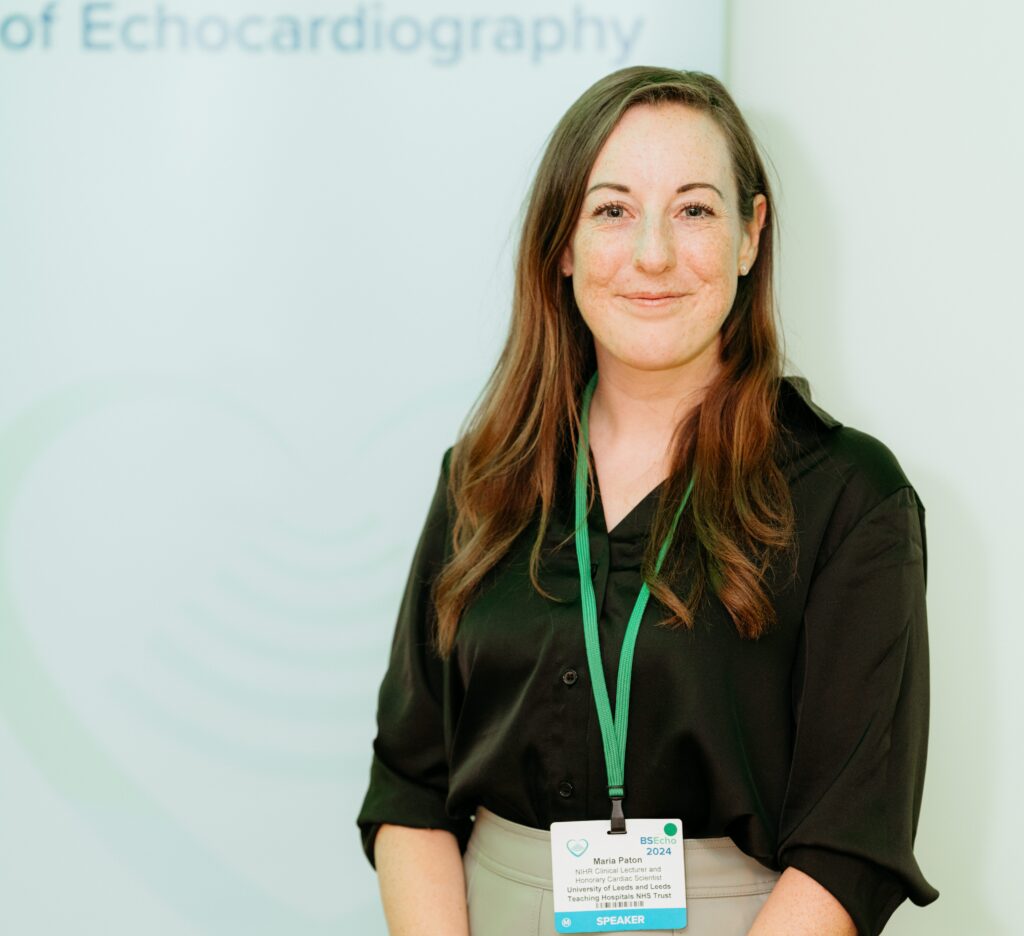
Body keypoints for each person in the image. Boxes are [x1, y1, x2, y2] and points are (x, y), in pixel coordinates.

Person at [356, 66, 938, 936]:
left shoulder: (851, 496)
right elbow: (409, 782)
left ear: (751, 235)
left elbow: (849, 842)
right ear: (563, 244)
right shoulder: (482, 477)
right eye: (612, 210)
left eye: (696, 209)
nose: (654, 255)